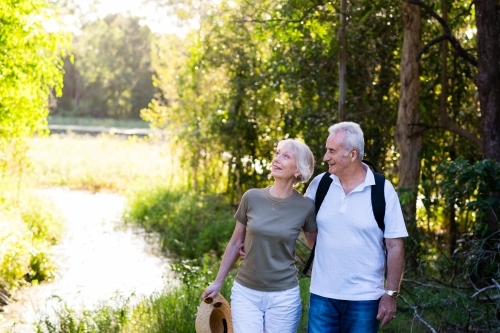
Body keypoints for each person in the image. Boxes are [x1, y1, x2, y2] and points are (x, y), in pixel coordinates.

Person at [202, 138, 318, 333]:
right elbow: (234, 243)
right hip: (246, 293)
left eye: (286, 156)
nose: (277, 159)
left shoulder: (305, 207)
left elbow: (316, 247)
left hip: (284, 297)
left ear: (299, 170)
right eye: (277, 153)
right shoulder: (251, 197)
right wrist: (218, 281)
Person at [305, 122, 408, 333]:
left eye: (331, 151)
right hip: (323, 296)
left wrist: (390, 294)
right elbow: (304, 225)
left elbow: (395, 246)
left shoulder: (382, 190)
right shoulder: (319, 184)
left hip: (365, 300)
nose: (325, 157)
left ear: (352, 154)